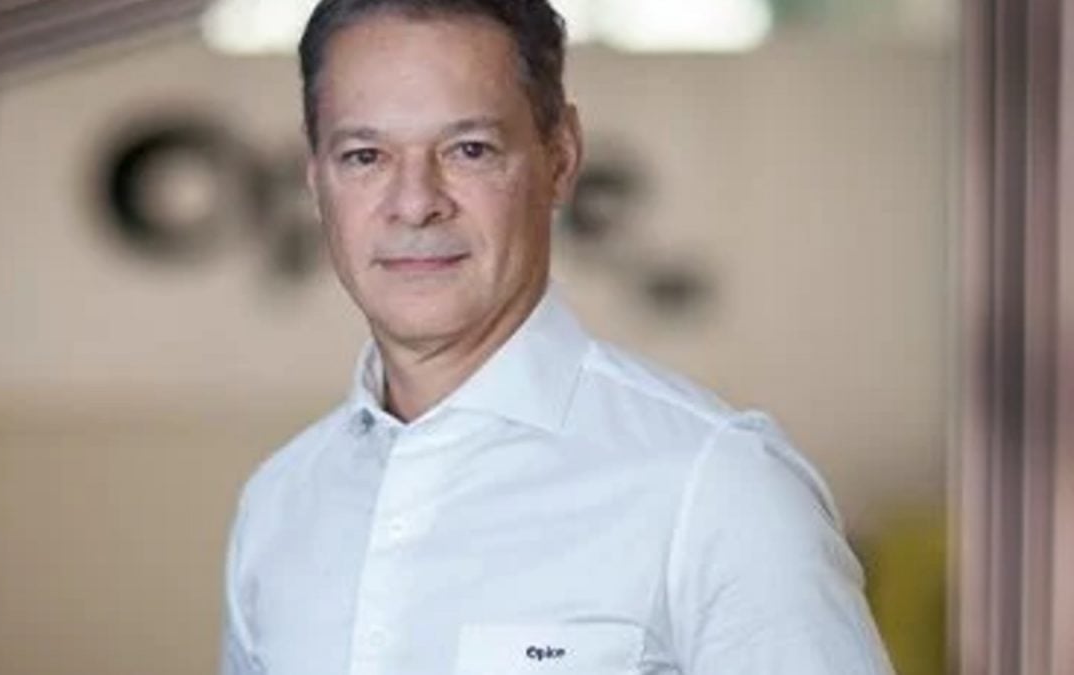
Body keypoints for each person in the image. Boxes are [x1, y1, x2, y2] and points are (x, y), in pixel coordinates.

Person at [221, 1, 894, 673]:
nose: (416, 202)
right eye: (365, 156)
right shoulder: (278, 506)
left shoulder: (720, 486)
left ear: (561, 157)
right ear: (316, 179)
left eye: (469, 150)